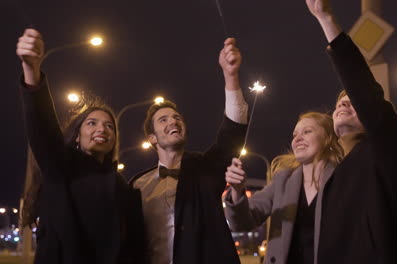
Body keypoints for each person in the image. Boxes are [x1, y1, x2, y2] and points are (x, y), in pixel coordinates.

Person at [305, 0, 397, 263]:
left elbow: (364, 90)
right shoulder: (336, 174)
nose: (344, 102)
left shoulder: (391, 152)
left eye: (353, 101)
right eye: (340, 100)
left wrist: (326, 20)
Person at [17, 28, 145, 264]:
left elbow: (134, 246)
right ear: (77, 136)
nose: (102, 129)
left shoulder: (122, 187)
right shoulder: (61, 166)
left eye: (109, 126)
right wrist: (31, 72)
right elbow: (43, 128)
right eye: (92, 123)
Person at [129, 38, 248, 264]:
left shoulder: (206, 170)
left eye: (176, 117)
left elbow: (233, 132)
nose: (173, 121)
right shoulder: (137, 187)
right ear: (151, 138)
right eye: (163, 119)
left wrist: (230, 75)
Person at [224, 112, 343, 264]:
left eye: (307, 131)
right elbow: (241, 223)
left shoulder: (343, 179)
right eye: (295, 135)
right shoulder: (282, 181)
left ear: (328, 138)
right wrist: (237, 190)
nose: (297, 139)